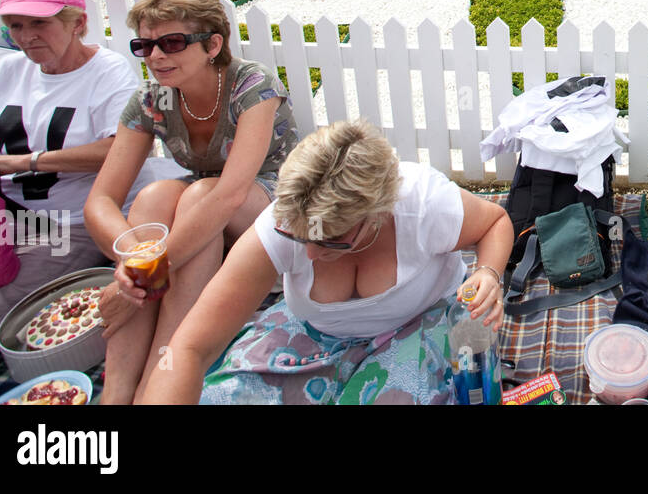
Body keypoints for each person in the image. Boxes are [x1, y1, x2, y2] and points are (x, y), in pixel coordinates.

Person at [141, 119, 512, 404]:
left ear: (378, 213)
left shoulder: (423, 203)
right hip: (312, 334)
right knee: (229, 393)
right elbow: (189, 348)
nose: (311, 253)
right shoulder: (281, 226)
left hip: (422, 321)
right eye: (298, 236)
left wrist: (488, 272)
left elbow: (495, 222)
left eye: (332, 240)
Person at [84, 0, 300, 404]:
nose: (156, 56)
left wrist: (145, 274)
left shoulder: (251, 85)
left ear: (213, 45)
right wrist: (135, 262)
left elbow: (231, 195)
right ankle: (117, 395)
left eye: (172, 43)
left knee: (200, 194)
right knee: (152, 200)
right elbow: (100, 202)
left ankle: (157, 386)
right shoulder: (153, 99)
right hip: (206, 209)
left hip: (277, 199)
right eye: (145, 45)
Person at [0, 0, 167, 374]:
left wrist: (25, 162)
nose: (26, 36)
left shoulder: (107, 72)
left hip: (72, 220)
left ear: (78, 23)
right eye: (16, 25)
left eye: (39, 23)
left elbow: (119, 148)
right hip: (3, 212)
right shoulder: (3, 75)